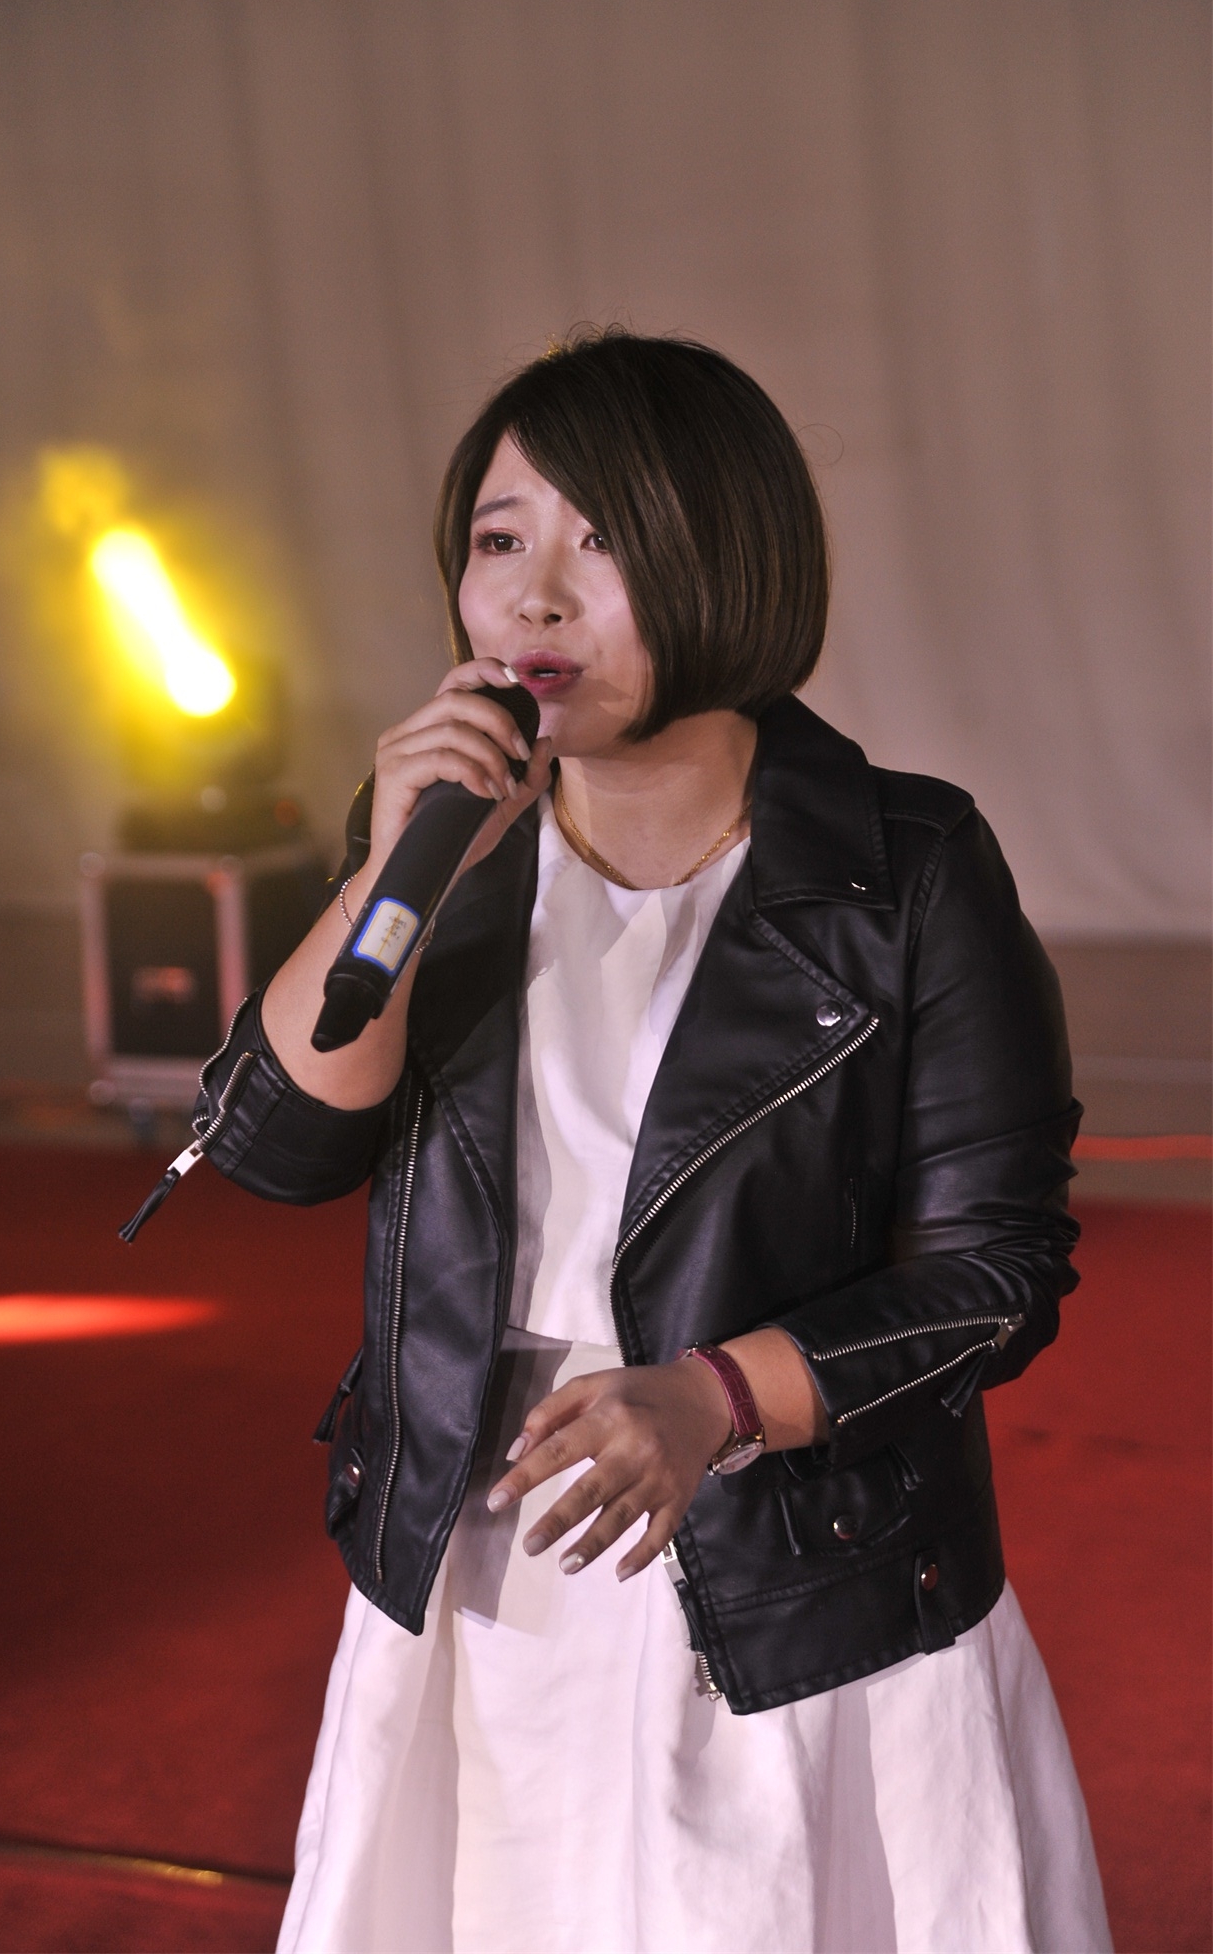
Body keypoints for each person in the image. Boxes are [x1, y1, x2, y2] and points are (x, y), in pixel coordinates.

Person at [198, 331, 1111, 1954]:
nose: (532, 600)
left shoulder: (904, 866)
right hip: (486, 1541)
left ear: (728, 559)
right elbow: (279, 1148)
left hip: (791, 1562)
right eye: (499, 541)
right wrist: (384, 877)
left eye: (601, 540)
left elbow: (995, 1273)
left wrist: (713, 1399)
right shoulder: (446, 845)